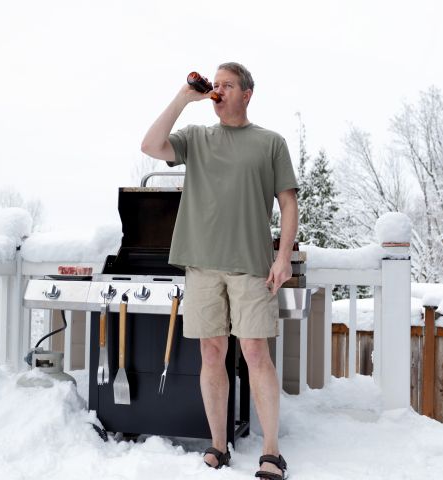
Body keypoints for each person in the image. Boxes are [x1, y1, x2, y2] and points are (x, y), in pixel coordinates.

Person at [141, 62, 298, 480]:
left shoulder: (270, 143)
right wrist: (183, 98)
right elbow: (150, 146)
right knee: (211, 354)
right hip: (202, 265)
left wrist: (282, 257)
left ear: (247, 94)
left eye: (228, 85)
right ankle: (217, 444)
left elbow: (288, 203)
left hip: (251, 266)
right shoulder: (196, 138)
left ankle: (271, 452)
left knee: (255, 354)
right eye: (217, 84)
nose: (219, 90)